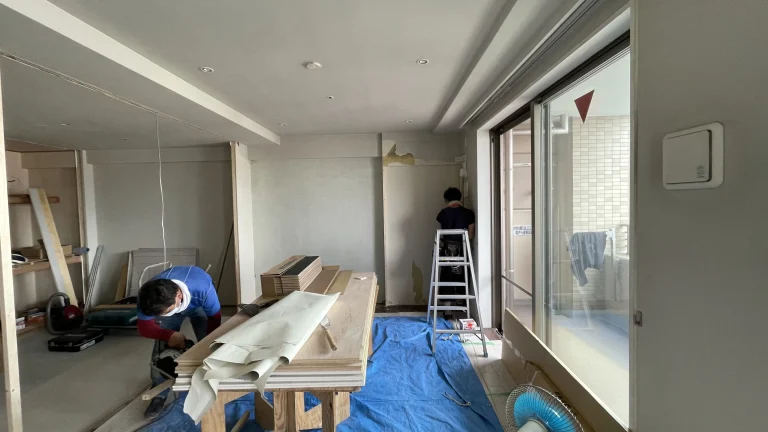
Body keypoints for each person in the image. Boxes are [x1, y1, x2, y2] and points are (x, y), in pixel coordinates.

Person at [137, 265, 222, 418]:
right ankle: (159, 394)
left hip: (198, 305)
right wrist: (168, 335)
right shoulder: (148, 296)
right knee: (161, 351)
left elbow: (215, 321)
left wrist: (206, 345)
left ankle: (208, 383)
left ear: (178, 295)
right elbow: (144, 328)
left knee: (209, 344)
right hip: (171, 305)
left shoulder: (204, 290)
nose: (160, 315)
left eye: (164, 311)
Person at [435, 187, 476, 318]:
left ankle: (447, 310)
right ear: (460, 198)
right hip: (462, 250)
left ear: (446, 200)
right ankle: (461, 303)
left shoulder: (443, 214)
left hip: (447, 250)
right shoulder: (468, 213)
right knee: (462, 275)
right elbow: (470, 235)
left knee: (446, 276)